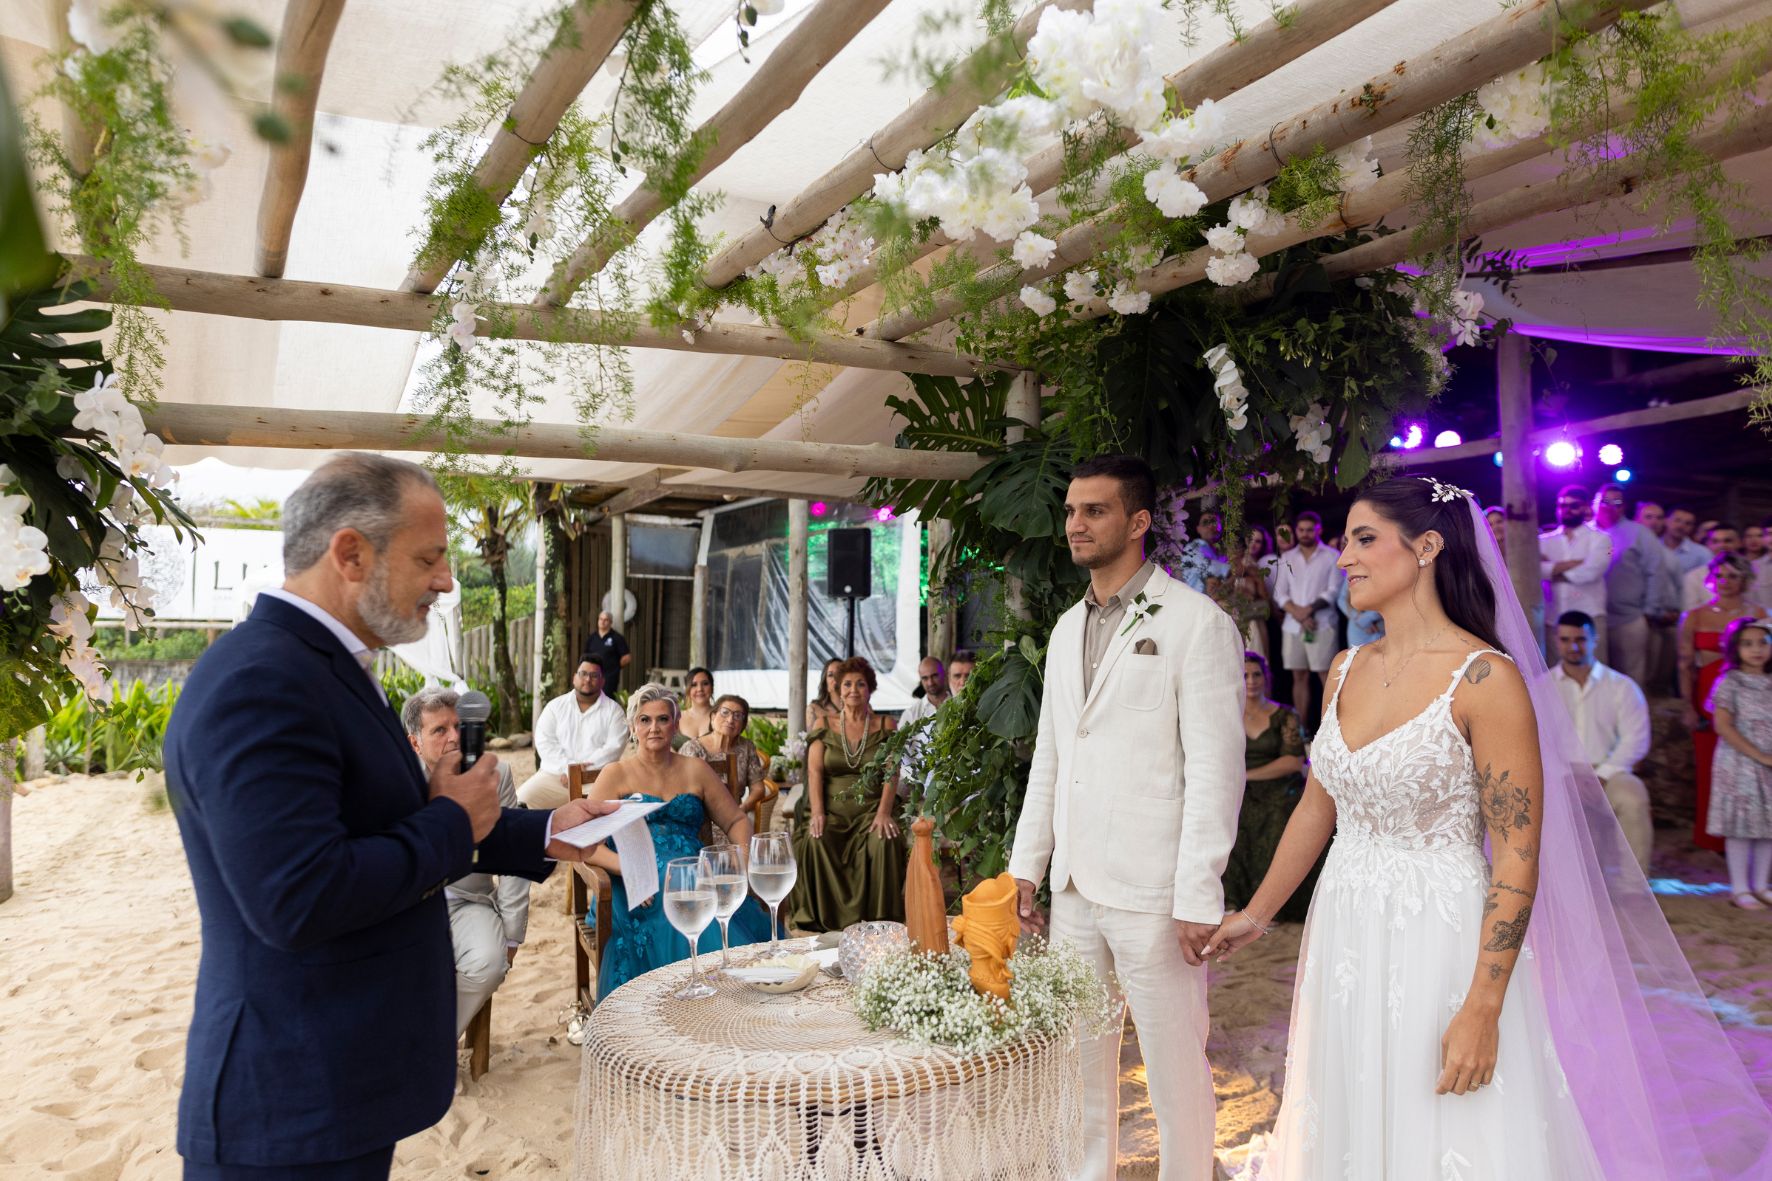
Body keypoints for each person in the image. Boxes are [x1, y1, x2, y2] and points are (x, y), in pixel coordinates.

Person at [1203, 474, 1772, 1180]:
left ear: (1427, 547)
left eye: (1363, 538)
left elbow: (1517, 855)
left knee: (1449, 1125)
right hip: (1345, 923)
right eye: (1346, 540)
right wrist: (1256, 914)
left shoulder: (1486, 679)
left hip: (1440, 933)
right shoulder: (1344, 668)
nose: (1344, 556)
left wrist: (1484, 1002)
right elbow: (1320, 805)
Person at [162, 453, 612, 1179]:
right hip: (289, 1100)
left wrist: (553, 830)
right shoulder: (261, 682)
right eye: (430, 557)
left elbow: (394, 824)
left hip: (340, 1080)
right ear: (350, 552)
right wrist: (451, 822)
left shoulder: (325, 665)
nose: (446, 579)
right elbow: (299, 895)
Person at [1008, 453, 1245, 1181]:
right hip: (1076, 888)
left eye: (1095, 510)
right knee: (1077, 1069)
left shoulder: (1197, 623)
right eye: (1072, 510)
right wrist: (1028, 866)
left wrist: (1198, 892)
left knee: (1176, 1073)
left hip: (1155, 894)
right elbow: (1052, 750)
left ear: (1139, 521)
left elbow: (1215, 768)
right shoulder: (1062, 628)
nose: (1075, 523)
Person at [580, 685, 773, 996]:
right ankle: (707, 997)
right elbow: (585, 845)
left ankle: (728, 997)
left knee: (707, 897)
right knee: (684, 901)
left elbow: (736, 820)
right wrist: (627, 868)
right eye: (644, 720)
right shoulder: (615, 774)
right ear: (633, 727)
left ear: (675, 723)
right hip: (634, 882)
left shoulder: (696, 770)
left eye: (662, 719)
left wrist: (742, 861)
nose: (654, 727)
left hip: (695, 872)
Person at [402, 688, 531, 1034]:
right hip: (406, 905)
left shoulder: (496, 775)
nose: (454, 737)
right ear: (415, 743)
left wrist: (513, 935)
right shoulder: (398, 781)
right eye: (439, 730)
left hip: (468, 900)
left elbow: (513, 854)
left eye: (459, 726)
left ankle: (431, 1042)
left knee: (489, 962)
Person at [789, 656, 905, 931]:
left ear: (870, 689)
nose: (854, 689)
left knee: (884, 840)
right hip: (830, 809)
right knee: (816, 841)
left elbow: (892, 772)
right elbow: (815, 772)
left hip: (872, 809)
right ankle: (826, 923)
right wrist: (817, 812)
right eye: (847, 684)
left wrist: (884, 812)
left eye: (861, 684)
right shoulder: (823, 724)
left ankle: (880, 921)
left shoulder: (887, 724)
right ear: (838, 689)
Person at [1550, 611, 1653, 872]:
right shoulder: (1542, 687)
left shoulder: (1622, 686)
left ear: (1595, 639)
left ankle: (1633, 886)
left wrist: (1602, 775)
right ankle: (1565, 882)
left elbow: (1636, 739)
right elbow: (1537, 741)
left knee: (1633, 799)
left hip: (1611, 770)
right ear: (1556, 641)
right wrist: (1566, 774)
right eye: (1566, 639)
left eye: (1581, 639)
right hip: (1559, 773)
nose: (1573, 646)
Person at [1222, 651, 1317, 924]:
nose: (1251, 680)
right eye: (1244, 675)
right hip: (1239, 789)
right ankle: (1234, 899)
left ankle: (1274, 905)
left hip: (1279, 787)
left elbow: (1292, 761)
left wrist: (1247, 775)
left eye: (1256, 674)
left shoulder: (1285, 715)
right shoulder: (1226, 715)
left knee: (1278, 817)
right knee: (1231, 818)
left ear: (1266, 678)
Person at [1681, 553, 1759, 856]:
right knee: (1710, 769)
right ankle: (1713, 839)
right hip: (1708, 695)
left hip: (1750, 699)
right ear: (1711, 578)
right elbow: (1685, 662)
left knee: (1749, 768)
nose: (1726, 582)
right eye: (1721, 575)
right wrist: (1688, 705)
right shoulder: (1696, 616)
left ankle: (1751, 837)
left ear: (1745, 579)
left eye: (1733, 576)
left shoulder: (1759, 613)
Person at [1707, 617, 1772, 909]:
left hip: (1769, 763)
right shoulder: (1730, 682)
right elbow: (1723, 725)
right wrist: (1759, 755)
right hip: (1739, 763)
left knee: (1767, 824)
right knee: (1741, 825)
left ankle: (1761, 884)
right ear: (1735, 649)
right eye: (1747, 644)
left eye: (1763, 642)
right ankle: (1740, 888)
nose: (1756, 650)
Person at [517, 659, 628, 809]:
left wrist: (579, 773)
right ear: (574, 677)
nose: (588, 679)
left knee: (610, 814)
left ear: (602, 681)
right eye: (583, 674)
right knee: (520, 802)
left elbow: (613, 749)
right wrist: (567, 768)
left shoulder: (614, 711)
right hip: (555, 777)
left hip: (595, 779)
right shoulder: (555, 707)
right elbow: (544, 742)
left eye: (594, 675)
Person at [1273, 509, 1341, 728]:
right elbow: (1279, 593)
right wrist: (1299, 614)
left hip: (1322, 625)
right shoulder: (1287, 557)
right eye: (1301, 530)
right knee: (1298, 677)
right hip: (1293, 626)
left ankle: (1331, 729)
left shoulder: (1332, 556)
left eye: (1309, 530)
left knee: (1326, 677)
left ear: (1318, 530)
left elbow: (1334, 590)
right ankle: (1302, 730)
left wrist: (1308, 611)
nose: (1304, 534)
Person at [1593, 483, 1666, 686]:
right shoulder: (1587, 533)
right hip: (1593, 618)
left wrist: (1650, 610)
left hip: (1629, 618)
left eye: (1616, 502)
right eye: (1605, 501)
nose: (1610, 506)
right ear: (1595, 504)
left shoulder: (1639, 533)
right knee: (1598, 676)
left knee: (1631, 675)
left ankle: (1634, 716)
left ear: (1624, 507)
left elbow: (1656, 572)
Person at [1539, 483, 1612, 660]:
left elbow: (1590, 572)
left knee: (1594, 672)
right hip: (1553, 617)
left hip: (1590, 614)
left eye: (1574, 505)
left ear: (1586, 507)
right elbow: (1536, 572)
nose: (1567, 510)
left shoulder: (1601, 539)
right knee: (1556, 675)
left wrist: (1553, 570)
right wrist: (1576, 563)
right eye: (1563, 505)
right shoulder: (1542, 541)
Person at [680, 693, 767, 810]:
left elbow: (758, 788)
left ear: (743, 725)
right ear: (712, 717)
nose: (730, 720)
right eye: (725, 712)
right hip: (699, 817)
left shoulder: (747, 747)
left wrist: (744, 807)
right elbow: (681, 791)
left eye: (737, 716)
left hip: (735, 816)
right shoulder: (692, 748)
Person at [896, 656, 950, 800]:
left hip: (954, 782)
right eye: (925, 678)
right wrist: (916, 784)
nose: (930, 682)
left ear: (944, 673)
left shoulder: (958, 706)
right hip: (919, 785)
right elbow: (901, 755)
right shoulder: (911, 714)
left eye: (934, 676)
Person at [1176, 506, 1230, 595]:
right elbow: (1210, 569)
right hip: (1198, 600)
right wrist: (1232, 569)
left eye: (1214, 522)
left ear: (1220, 526)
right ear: (1198, 529)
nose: (1210, 526)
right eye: (1205, 523)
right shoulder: (1192, 548)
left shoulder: (1222, 549)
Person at [580, 609, 632, 694]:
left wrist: (615, 667)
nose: (602, 622)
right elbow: (585, 657)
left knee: (606, 700)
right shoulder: (592, 638)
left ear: (610, 622)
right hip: (592, 676)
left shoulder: (617, 638)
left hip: (609, 678)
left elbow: (627, 657)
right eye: (600, 619)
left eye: (606, 620)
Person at [1335, 569, 1383, 647]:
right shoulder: (1353, 571)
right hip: (1357, 628)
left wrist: (1366, 619)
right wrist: (1357, 618)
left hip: (1382, 626)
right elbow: (1341, 600)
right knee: (1356, 656)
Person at [678, 667, 716, 746]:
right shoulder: (677, 718)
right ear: (687, 689)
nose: (699, 689)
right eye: (694, 685)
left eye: (705, 683)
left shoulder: (720, 717)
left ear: (712, 687)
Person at [806, 657, 844, 730]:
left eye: (839, 673)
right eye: (830, 675)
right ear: (825, 683)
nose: (835, 678)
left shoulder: (861, 707)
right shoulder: (814, 709)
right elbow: (808, 738)